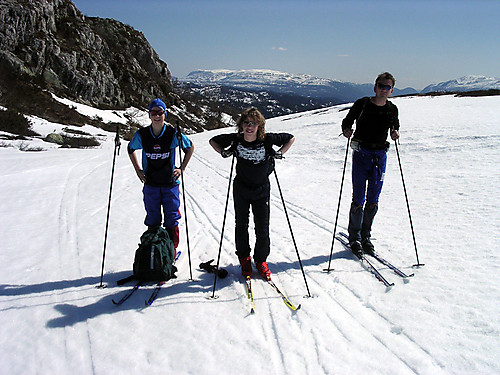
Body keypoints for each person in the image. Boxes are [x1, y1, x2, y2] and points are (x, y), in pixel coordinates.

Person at [209, 108, 295, 279]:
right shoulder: (236, 140)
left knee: (262, 227)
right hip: (241, 188)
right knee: (241, 225)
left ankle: (261, 261)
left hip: (262, 189)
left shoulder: (267, 139)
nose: (249, 126)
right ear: (241, 125)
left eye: (253, 123)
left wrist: (279, 153)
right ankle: (244, 259)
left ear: (259, 126)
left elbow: (290, 138)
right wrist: (224, 152)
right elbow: (213, 141)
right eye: (246, 123)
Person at [341, 72, 400, 258]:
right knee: (359, 197)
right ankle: (355, 237)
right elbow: (347, 120)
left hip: (380, 155)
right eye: (381, 86)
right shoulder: (363, 104)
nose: (384, 90)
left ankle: (365, 237)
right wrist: (346, 130)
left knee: (373, 198)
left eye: (387, 87)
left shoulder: (392, 109)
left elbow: (395, 125)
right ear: (375, 87)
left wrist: (395, 132)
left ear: (391, 90)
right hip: (362, 154)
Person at [128, 98, 194, 253]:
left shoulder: (172, 134)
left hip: (169, 184)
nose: (157, 116)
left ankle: (170, 251)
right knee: (153, 218)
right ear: (149, 115)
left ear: (165, 114)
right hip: (151, 183)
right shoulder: (143, 134)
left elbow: (189, 147)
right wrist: (138, 169)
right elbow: (130, 149)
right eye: (153, 113)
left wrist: (182, 169)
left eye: (160, 112)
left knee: (171, 218)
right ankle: (154, 250)